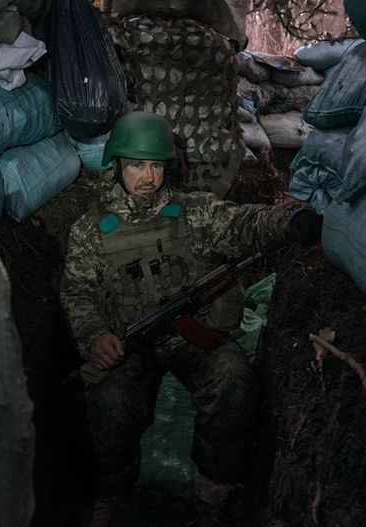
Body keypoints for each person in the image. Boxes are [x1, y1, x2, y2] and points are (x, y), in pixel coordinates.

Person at [59, 111, 322, 526]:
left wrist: (288, 220)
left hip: (189, 339)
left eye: (156, 165)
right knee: (108, 402)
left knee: (234, 379)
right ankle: (109, 491)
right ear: (116, 164)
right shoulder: (91, 229)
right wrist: (94, 336)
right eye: (136, 165)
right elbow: (77, 292)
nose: (147, 176)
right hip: (128, 342)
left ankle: (211, 496)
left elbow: (243, 224)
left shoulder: (192, 212)